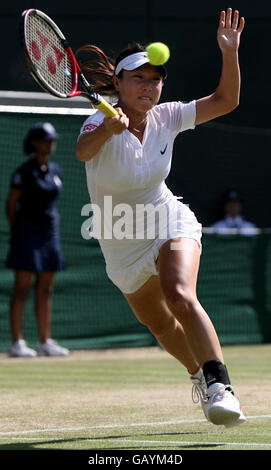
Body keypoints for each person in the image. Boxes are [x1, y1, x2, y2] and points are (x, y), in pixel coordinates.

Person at [76, 8, 245, 427]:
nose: (148, 87)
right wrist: (107, 130)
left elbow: (227, 100)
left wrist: (230, 52)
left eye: (155, 80)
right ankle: (199, 377)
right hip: (119, 239)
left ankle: (221, 385)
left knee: (180, 294)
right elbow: (82, 152)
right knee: (162, 327)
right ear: (118, 83)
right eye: (138, 78)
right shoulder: (97, 120)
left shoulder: (167, 116)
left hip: (168, 219)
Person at [6, 122, 69, 357]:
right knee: (22, 288)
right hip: (26, 234)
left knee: (46, 288)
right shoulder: (24, 172)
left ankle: (44, 342)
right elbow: (11, 205)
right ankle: (18, 343)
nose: (50, 144)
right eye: (45, 139)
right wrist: (20, 231)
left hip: (49, 235)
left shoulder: (56, 171)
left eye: (52, 139)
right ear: (34, 143)